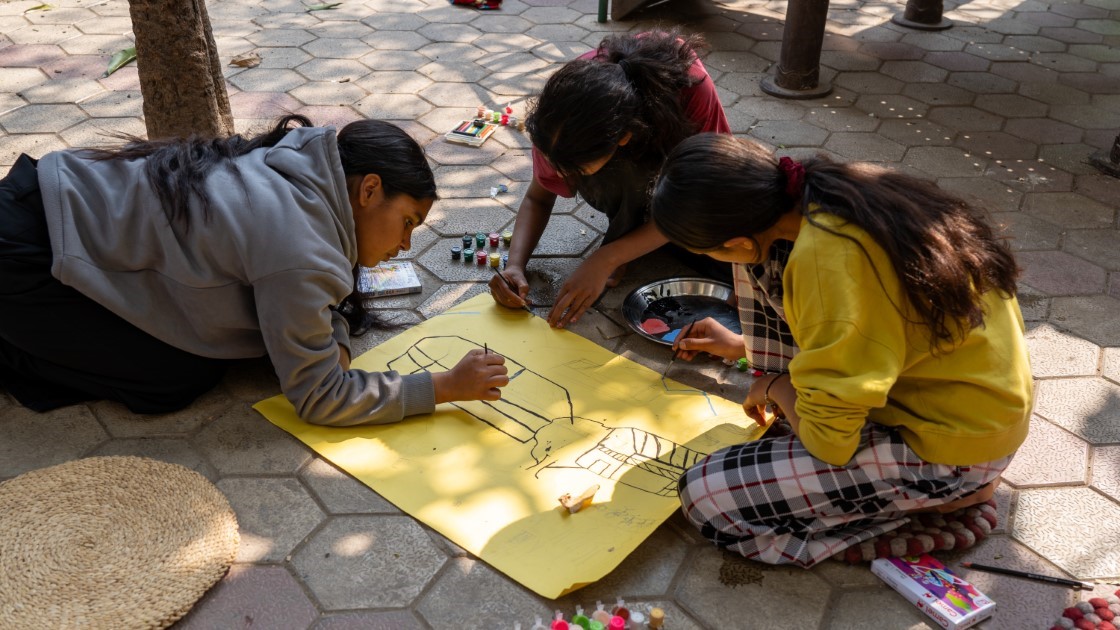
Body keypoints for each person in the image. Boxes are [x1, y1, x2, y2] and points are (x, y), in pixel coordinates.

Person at [649, 134, 1032, 567]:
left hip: (956, 447)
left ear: (734, 239)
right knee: (758, 265)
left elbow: (830, 443)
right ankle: (929, 486)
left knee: (707, 496)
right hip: (968, 398)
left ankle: (936, 501)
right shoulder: (833, 193)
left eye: (710, 249)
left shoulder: (825, 265)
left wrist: (777, 386)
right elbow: (871, 329)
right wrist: (742, 347)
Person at [0, 116, 509, 425]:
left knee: (199, 354)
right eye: (407, 223)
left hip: (42, 198)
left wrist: (332, 333)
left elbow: (312, 308)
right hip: (23, 258)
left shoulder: (304, 162)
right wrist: (443, 387)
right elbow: (320, 396)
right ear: (369, 190)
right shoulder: (300, 246)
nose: (404, 244)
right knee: (171, 378)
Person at [488, 30, 731, 329]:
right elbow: (538, 197)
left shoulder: (691, 89)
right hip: (633, 158)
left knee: (724, 242)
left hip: (694, 175)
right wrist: (515, 265)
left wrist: (605, 258)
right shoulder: (559, 116)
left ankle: (638, 235)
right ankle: (637, 234)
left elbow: (703, 196)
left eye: (577, 169)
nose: (564, 177)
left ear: (624, 137)